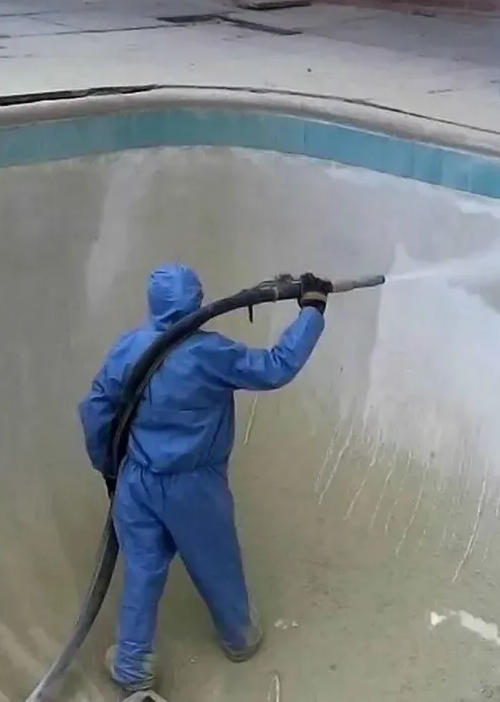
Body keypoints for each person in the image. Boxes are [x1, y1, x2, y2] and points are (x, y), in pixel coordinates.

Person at [77, 263, 332, 693]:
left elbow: (94, 410)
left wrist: (108, 464)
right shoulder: (210, 354)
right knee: (216, 562)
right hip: (192, 487)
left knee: (142, 569)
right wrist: (312, 311)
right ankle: (239, 637)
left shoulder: (128, 348)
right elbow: (275, 367)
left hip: (136, 482)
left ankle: (132, 663)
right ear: (197, 302)